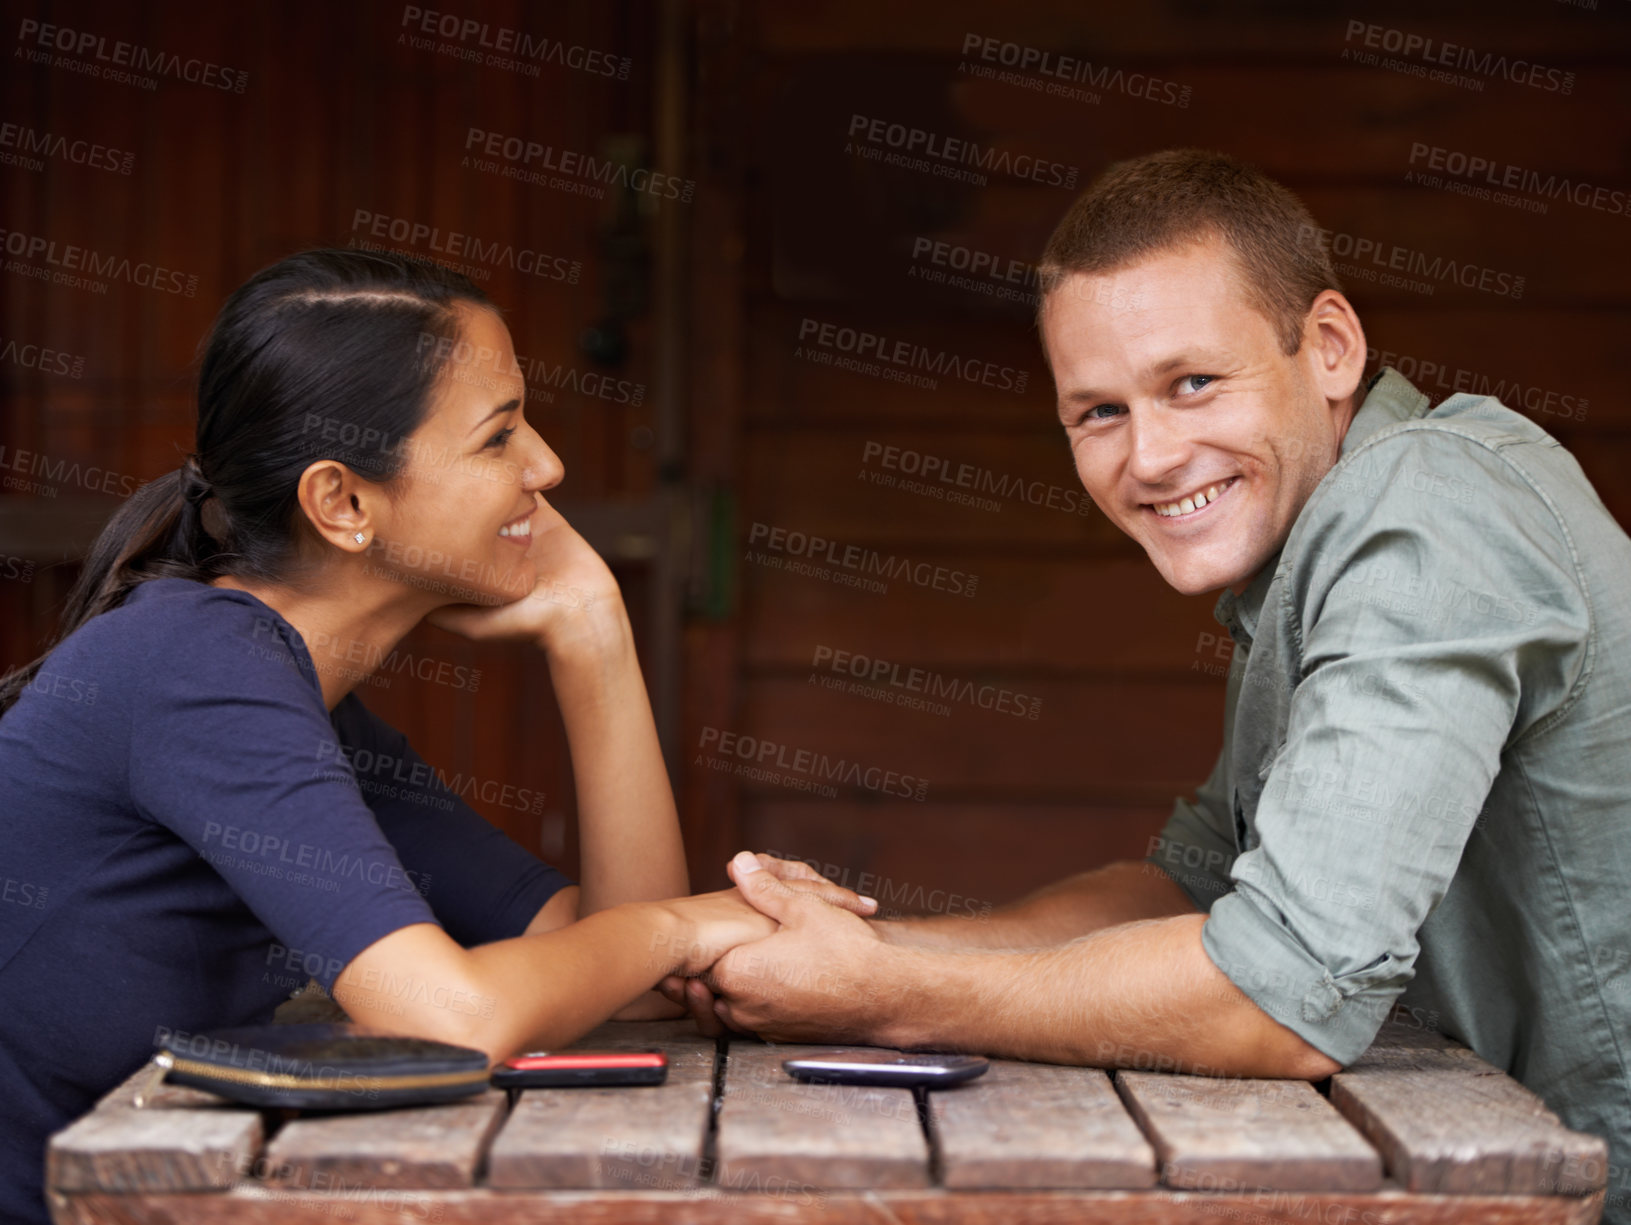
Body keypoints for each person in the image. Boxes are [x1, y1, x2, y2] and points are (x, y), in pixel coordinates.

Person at [665, 149, 1631, 1212]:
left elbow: (1278, 993)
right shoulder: (1317, 540)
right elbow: (1194, 881)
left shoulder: (1423, 517)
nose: (1154, 456)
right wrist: (858, 945)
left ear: (1327, 347)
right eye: (1099, 412)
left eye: (1192, 383)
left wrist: (882, 994)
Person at [0, 248, 871, 1225]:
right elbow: (451, 1018)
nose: (548, 466)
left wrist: (594, 635)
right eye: (498, 437)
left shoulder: (292, 697)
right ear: (343, 502)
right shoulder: (194, 667)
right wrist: (684, 923)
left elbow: (631, 988)